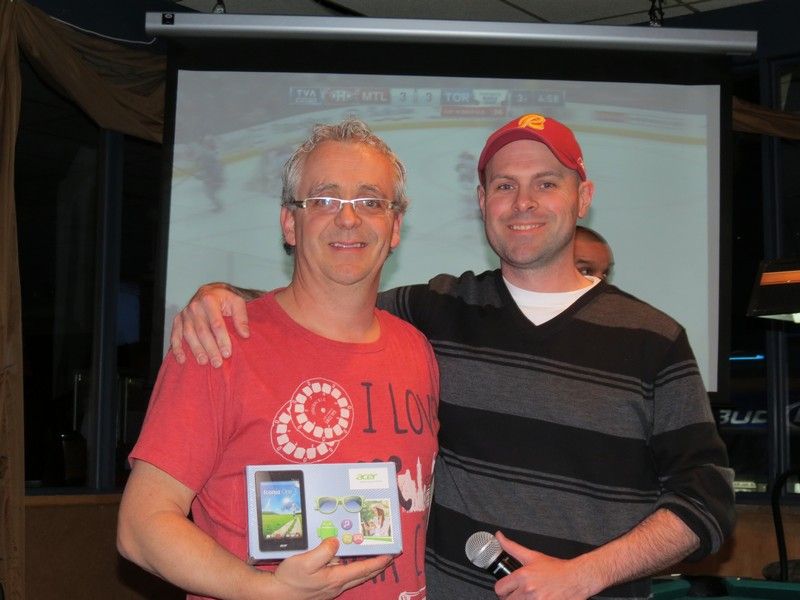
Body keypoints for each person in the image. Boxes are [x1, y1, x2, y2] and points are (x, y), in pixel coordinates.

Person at [168, 113, 735, 600]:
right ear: (483, 202)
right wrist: (220, 296)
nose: (524, 202)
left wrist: (584, 575)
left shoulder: (654, 339)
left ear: (582, 196)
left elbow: (707, 500)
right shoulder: (435, 311)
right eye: (505, 185)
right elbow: (325, 297)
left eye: (546, 183)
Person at [117, 118, 439, 600]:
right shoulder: (220, 344)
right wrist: (264, 591)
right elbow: (141, 526)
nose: (348, 219)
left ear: (395, 226)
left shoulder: (416, 351)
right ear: (290, 222)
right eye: (324, 200)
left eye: (371, 202)